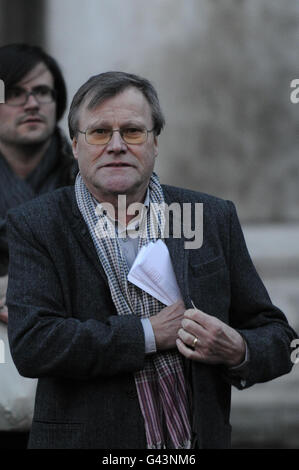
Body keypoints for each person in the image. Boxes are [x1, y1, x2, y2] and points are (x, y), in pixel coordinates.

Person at [6, 71, 297, 449]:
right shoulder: (37, 223)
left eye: (132, 131)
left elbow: (278, 337)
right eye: (98, 133)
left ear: (155, 142)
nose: (116, 145)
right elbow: (33, 345)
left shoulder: (210, 216)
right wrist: (148, 334)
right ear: (75, 146)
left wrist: (238, 347)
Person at [0, 43, 77, 448]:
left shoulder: (94, 179)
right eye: (14, 93)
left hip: (74, 372)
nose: (31, 103)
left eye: (43, 92)